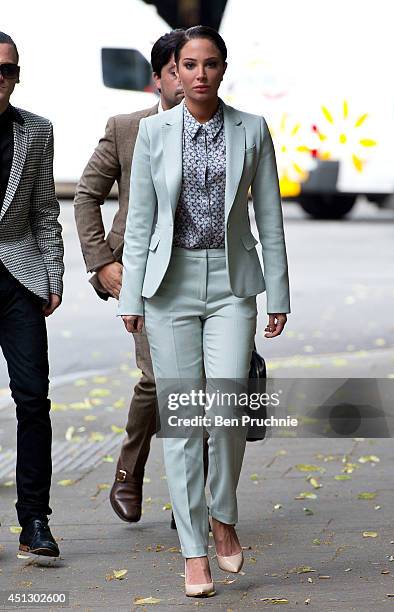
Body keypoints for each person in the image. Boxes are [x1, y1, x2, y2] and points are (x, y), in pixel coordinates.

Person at [119, 26, 290, 597]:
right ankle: (194, 551)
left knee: (228, 416)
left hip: (233, 287)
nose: (199, 74)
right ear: (175, 72)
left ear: (223, 68)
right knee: (186, 422)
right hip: (169, 285)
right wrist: (131, 296)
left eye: (209, 64)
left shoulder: (252, 129)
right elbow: (140, 220)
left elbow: (270, 216)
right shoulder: (152, 133)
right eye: (188, 65)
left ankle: (223, 515)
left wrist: (279, 294)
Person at [74, 31, 185, 524]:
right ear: (158, 79)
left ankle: (202, 493)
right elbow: (86, 195)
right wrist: (102, 261)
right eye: (178, 71)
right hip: (141, 273)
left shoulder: (227, 128)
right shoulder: (125, 128)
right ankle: (129, 471)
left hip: (203, 271)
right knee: (158, 378)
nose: (190, 80)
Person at [0, 32, 64, 556]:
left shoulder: (36, 132)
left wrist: (53, 275)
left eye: (7, 70)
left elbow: (46, 211)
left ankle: (35, 523)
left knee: (33, 401)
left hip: (18, 281)